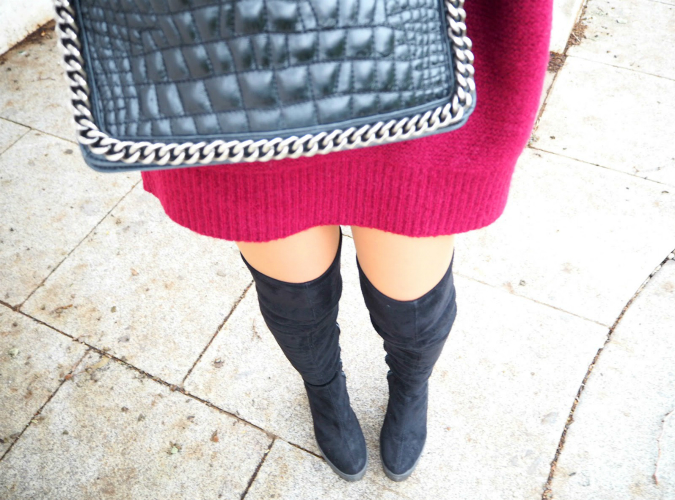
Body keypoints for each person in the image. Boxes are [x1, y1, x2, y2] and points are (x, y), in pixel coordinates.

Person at [140, 0, 554, 482]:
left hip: (410, 55)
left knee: (411, 303)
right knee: (293, 295)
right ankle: (323, 389)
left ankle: (411, 386)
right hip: (240, 61)